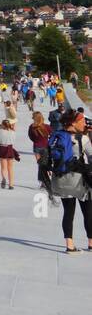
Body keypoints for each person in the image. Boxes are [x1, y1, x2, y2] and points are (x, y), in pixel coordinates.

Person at [38, 109, 91, 254]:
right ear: (73, 123)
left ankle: (70, 245)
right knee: (88, 211)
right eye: (81, 121)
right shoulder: (83, 139)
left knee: (68, 212)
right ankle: (91, 243)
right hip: (79, 181)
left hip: (60, 180)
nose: (84, 124)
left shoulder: (56, 135)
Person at [29, 112, 52, 186]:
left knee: (40, 165)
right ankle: (45, 180)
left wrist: (36, 140)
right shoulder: (47, 127)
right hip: (45, 147)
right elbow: (53, 135)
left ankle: (42, 181)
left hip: (36, 147)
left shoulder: (31, 127)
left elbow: (31, 137)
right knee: (45, 164)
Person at [0, 118, 18, 190]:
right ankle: (11, 184)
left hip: (2, 148)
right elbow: (13, 141)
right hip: (10, 148)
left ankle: (3, 178)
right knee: (10, 168)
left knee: (3, 167)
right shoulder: (13, 132)